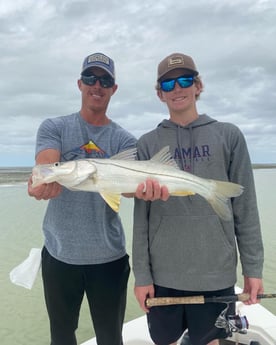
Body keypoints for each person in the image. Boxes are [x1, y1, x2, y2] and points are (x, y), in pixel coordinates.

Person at [28, 52, 168, 345]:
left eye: (105, 80)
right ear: (80, 83)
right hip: (59, 257)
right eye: (91, 78)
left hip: (109, 260)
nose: (97, 85)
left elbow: (130, 188)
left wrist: (148, 190)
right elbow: (47, 162)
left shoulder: (125, 140)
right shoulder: (55, 127)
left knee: (110, 338)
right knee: (62, 337)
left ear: (113, 88)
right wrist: (42, 179)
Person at [132, 52, 264, 345]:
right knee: (164, 340)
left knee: (211, 341)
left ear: (198, 86)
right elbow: (140, 219)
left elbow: (246, 208)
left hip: (216, 273)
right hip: (164, 274)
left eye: (185, 80)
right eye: (168, 84)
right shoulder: (147, 144)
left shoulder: (228, 136)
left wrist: (253, 269)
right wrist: (142, 275)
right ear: (159, 94)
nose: (177, 89)